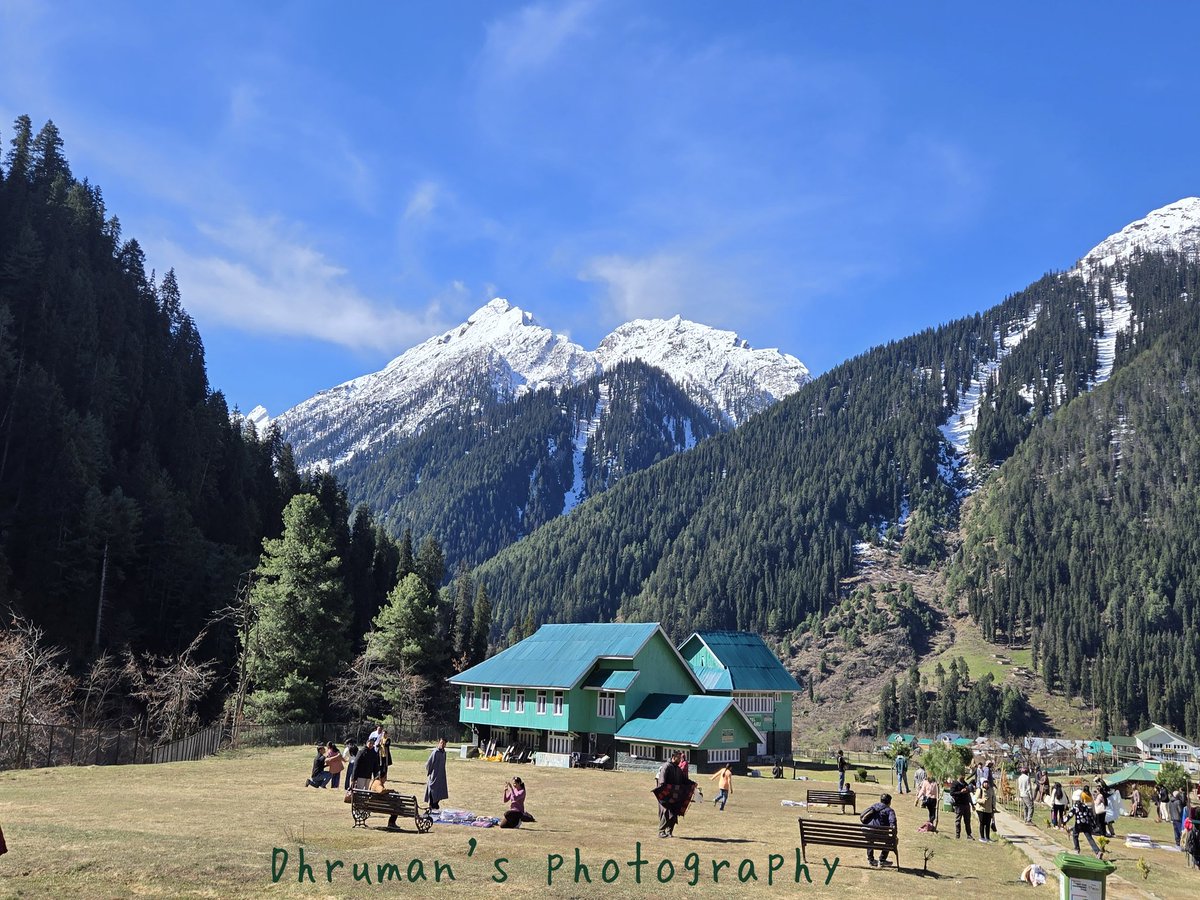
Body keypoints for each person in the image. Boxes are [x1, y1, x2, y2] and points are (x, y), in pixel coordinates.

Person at [655, 751, 687, 838]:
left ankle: (669, 831)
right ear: (673, 757)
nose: (680, 760)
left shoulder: (678, 769)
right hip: (666, 794)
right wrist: (664, 791)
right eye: (679, 758)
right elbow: (662, 780)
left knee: (674, 813)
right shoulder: (667, 766)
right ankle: (661, 831)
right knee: (666, 812)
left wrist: (691, 784)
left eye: (681, 758)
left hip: (675, 795)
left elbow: (683, 780)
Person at [1062, 789, 1101, 857]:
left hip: (1078, 825)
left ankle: (1077, 849)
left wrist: (1064, 822)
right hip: (1086, 824)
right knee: (1089, 838)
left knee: (1075, 835)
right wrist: (1094, 825)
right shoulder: (1085, 806)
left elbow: (1070, 815)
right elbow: (1090, 816)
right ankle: (1097, 852)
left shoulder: (1075, 807)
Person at [861, 794, 897, 867]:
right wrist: (895, 835)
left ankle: (871, 860)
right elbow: (892, 823)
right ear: (889, 802)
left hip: (867, 832)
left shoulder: (874, 806)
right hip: (881, 833)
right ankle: (882, 860)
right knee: (890, 841)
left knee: (870, 840)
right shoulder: (890, 810)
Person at [425, 738, 449, 811]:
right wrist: (430, 772)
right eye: (441, 743)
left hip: (441, 774)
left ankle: (436, 803)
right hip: (434, 774)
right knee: (433, 789)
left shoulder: (444, 753)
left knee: (440, 789)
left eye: (444, 743)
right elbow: (429, 763)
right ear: (439, 743)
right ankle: (431, 804)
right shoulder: (435, 752)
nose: (442, 744)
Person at [949, 772, 974, 839]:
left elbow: (968, 795)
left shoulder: (965, 784)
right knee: (958, 820)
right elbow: (952, 793)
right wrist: (961, 792)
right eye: (962, 775)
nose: (963, 776)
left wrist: (972, 804)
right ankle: (957, 835)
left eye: (964, 775)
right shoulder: (955, 784)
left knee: (967, 821)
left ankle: (969, 835)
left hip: (966, 804)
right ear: (958, 775)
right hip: (959, 805)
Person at [975, 778, 997, 842]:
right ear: (982, 783)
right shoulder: (980, 790)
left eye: (987, 782)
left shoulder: (991, 790)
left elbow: (994, 798)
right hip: (981, 809)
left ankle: (987, 837)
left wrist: (993, 806)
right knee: (982, 823)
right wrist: (982, 801)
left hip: (989, 809)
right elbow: (976, 799)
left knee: (988, 824)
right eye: (984, 782)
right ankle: (982, 837)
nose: (986, 784)